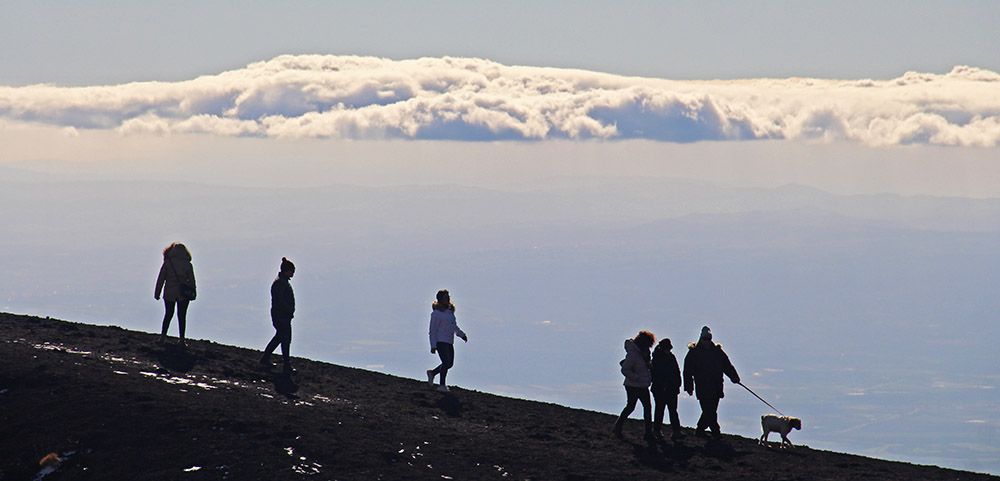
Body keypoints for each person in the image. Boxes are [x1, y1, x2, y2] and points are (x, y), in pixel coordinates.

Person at [683, 326, 740, 438]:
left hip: (716, 386)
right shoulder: (694, 353)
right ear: (701, 338)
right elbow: (687, 372)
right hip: (702, 386)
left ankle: (700, 429)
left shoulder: (717, 352)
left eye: (708, 338)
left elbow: (727, 366)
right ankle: (715, 431)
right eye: (705, 338)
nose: (707, 341)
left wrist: (734, 377)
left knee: (710, 410)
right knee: (709, 410)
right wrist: (689, 386)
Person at [613, 330, 655, 442]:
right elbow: (625, 369)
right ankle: (619, 426)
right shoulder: (634, 354)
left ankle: (647, 432)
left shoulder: (643, 353)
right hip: (634, 385)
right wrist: (636, 378)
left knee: (641, 407)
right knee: (633, 406)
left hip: (641, 385)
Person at [154, 242, 196, 346]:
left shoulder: (168, 263)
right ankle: (182, 340)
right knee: (182, 316)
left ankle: (162, 337)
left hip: (169, 292)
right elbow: (192, 281)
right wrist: (193, 292)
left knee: (168, 314)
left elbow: (161, 279)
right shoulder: (188, 264)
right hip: (183, 293)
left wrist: (157, 292)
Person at [426, 289, 468, 393]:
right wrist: (433, 345)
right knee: (446, 362)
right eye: (446, 297)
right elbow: (433, 330)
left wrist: (461, 334)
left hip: (449, 341)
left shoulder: (450, 313)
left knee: (449, 364)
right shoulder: (436, 314)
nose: (448, 299)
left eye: (448, 297)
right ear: (440, 299)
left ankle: (432, 373)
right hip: (441, 341)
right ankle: (442, 385)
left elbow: (454, 327)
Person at [260, 257, 296, 374]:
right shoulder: (280, 283)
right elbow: (280, 301)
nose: (293, 273)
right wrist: (288, 311)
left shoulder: (282, 281)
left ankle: (267, 358)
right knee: (284, 339)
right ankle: (286, 365)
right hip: (281, 317)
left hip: (282, 316)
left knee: (280, 338)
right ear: (287, 270)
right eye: (292, 271)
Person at [651, 338, 683, 440]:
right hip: (661, 389)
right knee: (661, 410)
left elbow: (676, 372)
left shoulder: (669, 357)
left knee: (671, 410)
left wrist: (677, 384)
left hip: (671, 389)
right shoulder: (657, 358)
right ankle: (657, 430)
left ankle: (676, 431)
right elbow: (656, 375)